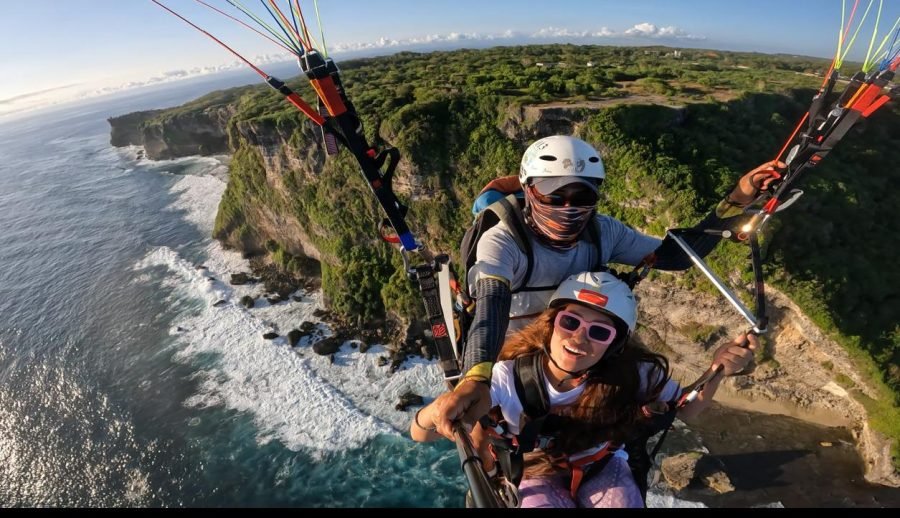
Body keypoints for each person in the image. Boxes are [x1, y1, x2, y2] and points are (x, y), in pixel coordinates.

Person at [434, 135, 781, 437]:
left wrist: (738, 197)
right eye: (555, 197)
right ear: (529, 191)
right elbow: (491, 305)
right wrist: (477, 378)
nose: (568, 208)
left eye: (581, 197)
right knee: (494, 431)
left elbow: (677, 256)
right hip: (513, 351)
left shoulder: (603, 232)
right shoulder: (503, 241)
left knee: (616, 414)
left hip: (581, 341)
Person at [411, 271, 756, 508]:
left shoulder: (635, 374)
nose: (579, 339)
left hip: (600, 465)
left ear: (615, 345)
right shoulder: (508, 377)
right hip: (535, 471)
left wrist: (718, 370)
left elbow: (686, 408)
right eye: (570, 322)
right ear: (550, 326)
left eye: (599, 332)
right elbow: (420, 432)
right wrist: (440, 409)